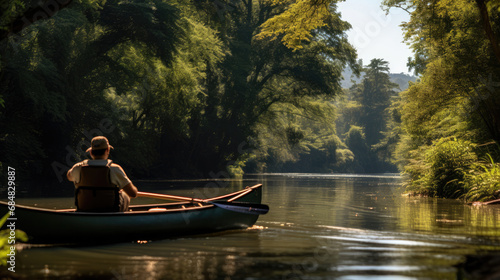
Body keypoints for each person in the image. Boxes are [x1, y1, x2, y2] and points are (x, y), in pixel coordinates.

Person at [67, 136, 138, 212]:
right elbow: (133, 193)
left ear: (91, 152)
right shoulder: (114, 169)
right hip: (110, 211)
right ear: (108, 150)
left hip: (84, 210)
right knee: (125, 194)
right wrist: (121, 190)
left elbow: (69, 176)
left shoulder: (78, 167)